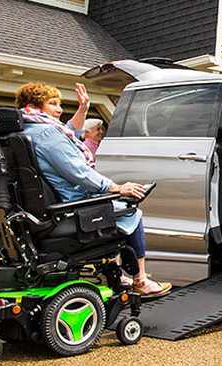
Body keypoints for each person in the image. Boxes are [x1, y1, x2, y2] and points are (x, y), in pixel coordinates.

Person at [15, 82, 171, 298]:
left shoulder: (29, 130)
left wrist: (83, 108)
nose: (59, 109)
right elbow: (78, 172)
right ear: (34, 106)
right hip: (73, 207)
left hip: (51, 208)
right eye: (52, 104)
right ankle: (140, 281)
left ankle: (117, 275)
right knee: (131, 210)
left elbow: (69, 133)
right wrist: (116, 187)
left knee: (119, 205)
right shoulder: (46, 134)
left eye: (59, 103)